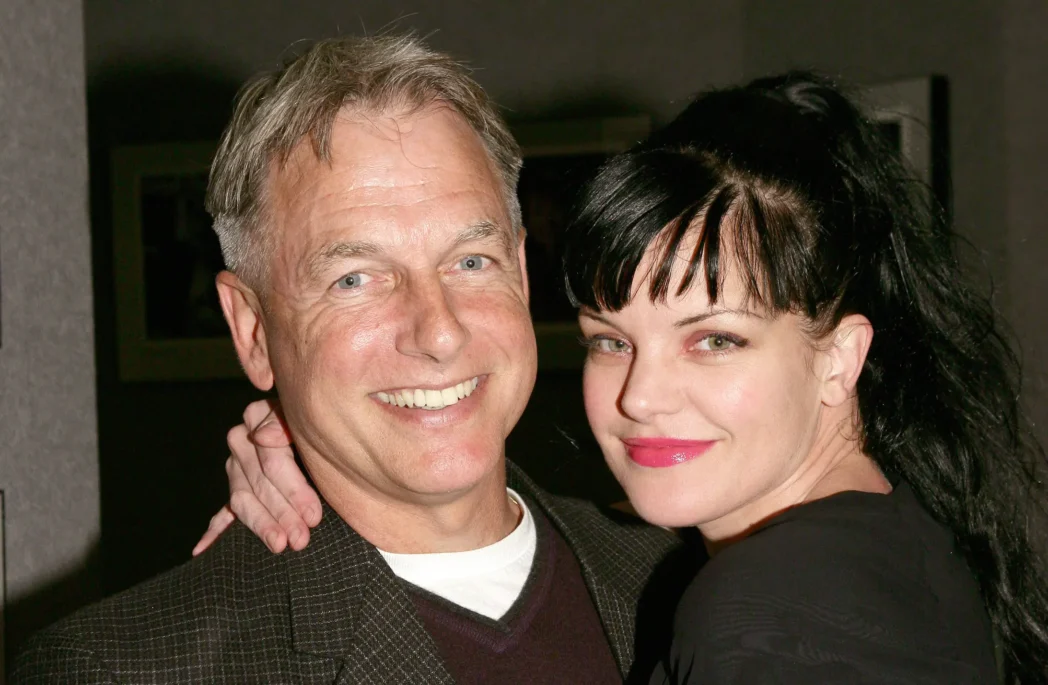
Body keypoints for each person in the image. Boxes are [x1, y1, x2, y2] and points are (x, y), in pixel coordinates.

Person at [206, 72, 1048, 683]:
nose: (642, 395)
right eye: (611, 340)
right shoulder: (900, 532)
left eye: (715, 340)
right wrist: (320, 444)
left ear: (840, 358)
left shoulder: (759, 620)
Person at [12, 35, 690, 684]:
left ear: (520, 269)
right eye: (355, 278)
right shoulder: (123, 668)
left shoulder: (684, 577)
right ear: (252, 330)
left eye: (470, 261)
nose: (440, 332)